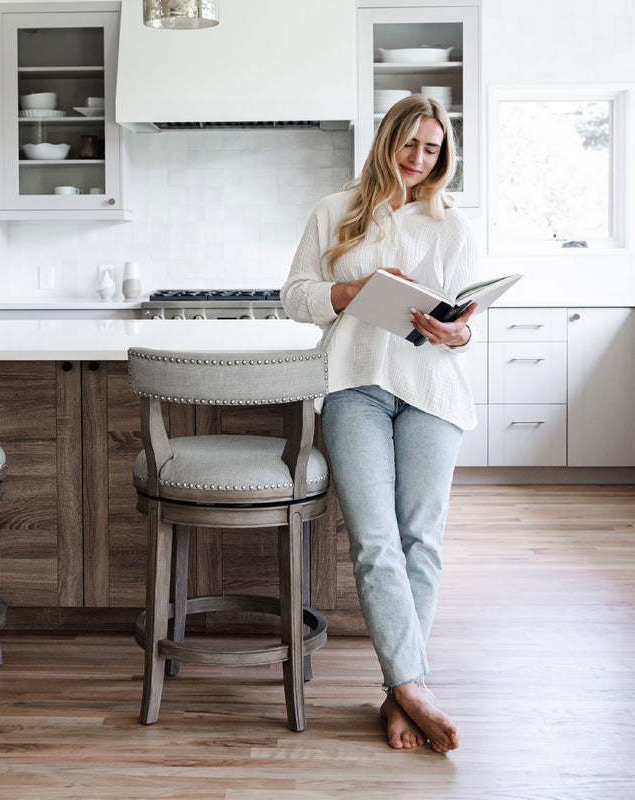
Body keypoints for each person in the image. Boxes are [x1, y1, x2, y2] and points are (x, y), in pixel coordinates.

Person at [281, 94, 479, 753]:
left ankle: (402, 691)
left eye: (432, 150)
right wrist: (353, 292)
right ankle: (413, 688)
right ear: (385, 140)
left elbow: (467, 324)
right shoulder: (333, 211)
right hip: (354, 385)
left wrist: (454, 332)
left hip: (430, 389)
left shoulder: (452, 224)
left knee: (421, 538)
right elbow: (295, 296)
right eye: (409, 145)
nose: (418, 161)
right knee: (375, 540)